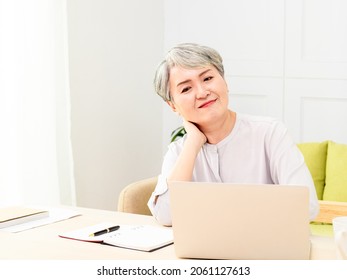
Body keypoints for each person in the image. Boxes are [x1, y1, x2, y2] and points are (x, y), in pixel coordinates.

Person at [147, 43, 319, 226]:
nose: (202, 92)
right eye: (186, 89)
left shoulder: (270, 133)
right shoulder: (179, 151)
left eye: (207, 78)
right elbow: (165, 216)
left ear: (224, 81)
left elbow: (306, 205)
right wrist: (193, 143)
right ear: (173, 106)